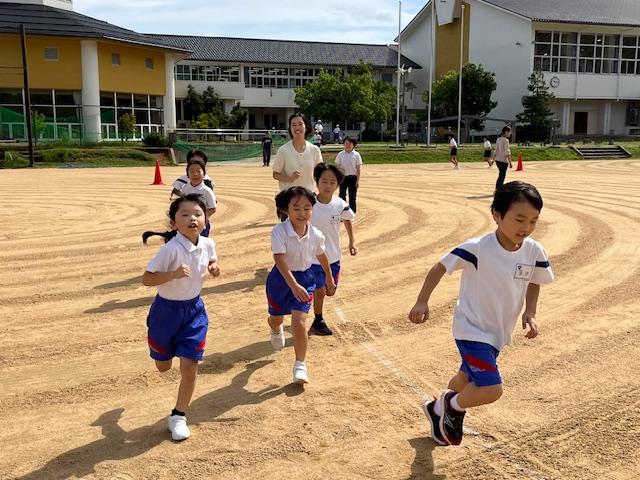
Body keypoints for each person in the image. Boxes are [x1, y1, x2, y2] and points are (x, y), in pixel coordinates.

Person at [408, 181, 554, 446]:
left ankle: (437, 409)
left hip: (497, 332)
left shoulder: (534, 250)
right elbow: (440, 267)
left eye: (533, 221)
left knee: (465, 378)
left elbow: (535, 279)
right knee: (491, 388)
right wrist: (421, 301)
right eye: (519, 219)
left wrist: (530, 312)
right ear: (497, 215)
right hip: (471, 329)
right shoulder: (477, 248)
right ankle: (452, 406)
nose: (526, 227)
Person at [142, 194, 221, 441]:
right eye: (184, 215)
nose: (192, 219)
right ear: (174, 223)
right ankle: (164, 353)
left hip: (194, 312)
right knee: (163, 366)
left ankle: (178, 416)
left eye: (197, 214)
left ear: (206, 219)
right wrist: (172, 275)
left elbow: (211, 258)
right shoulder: (170, 250)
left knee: (190, 365)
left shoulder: (208, 243)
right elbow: (147, 278)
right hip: (165, 313)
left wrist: (214, 267)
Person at [266, 187, 336, 384]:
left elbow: (321, 255)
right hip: (281, 280)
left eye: (307, 208)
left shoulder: (316, 234)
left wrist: (329, 277)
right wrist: (293, 285)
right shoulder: (279, 231)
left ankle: (300, 365)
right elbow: (279, 260)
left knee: (299, 322)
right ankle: (275, 329)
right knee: (276, 318)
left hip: (305, 279)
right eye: (296, 208)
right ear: (286, 209)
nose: (302, 213)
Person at [309, 163, 357, 336]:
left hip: (334, 257)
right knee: (320, 290)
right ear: (317, 182)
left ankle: (310, 305)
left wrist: (352, 241)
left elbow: (348, 219)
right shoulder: (309, 204)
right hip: (313, 258)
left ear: (337, 185)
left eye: (332, 182)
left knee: (330, 291)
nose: (328, 186)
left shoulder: (340, 204)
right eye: (324, 181)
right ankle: (318, 320)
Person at [143, 159, 217, 243]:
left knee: (199, 245)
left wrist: (200, 217)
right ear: (187, 175)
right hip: (185, 223)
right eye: (192, 171)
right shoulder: (185, 188)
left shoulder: (207, 191)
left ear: (204, 174)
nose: (195, 174)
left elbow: (213, 209)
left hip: (201, 225)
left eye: (198, 171)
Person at [272, 112, 323, 193]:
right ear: (290, 128)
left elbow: (320, 173)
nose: (297, 127)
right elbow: (275, 174)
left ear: (306, 127)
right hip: (289, 196)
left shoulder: (315, 150)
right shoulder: (283, 150)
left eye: (300, 124)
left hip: (308, 196)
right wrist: (289, 179)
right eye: (294, 125)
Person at [335, 137, 363, 213]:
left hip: (353, 178)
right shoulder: (340, 154)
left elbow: (358, 169)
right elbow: (337, 166)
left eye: (350, 143)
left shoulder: (356, 155)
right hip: (343, 178)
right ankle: (342, 212)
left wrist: (357, 181)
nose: (348, 145)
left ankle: (352, 213)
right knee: (342, 196)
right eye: (346, 143)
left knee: (352, 197)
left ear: (353, 145)